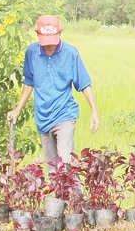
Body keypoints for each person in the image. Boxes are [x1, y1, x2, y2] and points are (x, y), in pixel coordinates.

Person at [7, 15, 100, 171]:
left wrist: (94, 112)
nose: (49, 47)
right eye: (45, 42)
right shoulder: (31, 53)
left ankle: (75, 196)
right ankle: (63, 196)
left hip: (64, 114)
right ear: (37, 35)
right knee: (52, 169)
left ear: (60, 33)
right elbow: (29, 82)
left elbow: (84, 84)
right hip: (42, 117)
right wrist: (17, 110)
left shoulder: (71, 53)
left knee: (65, 162)